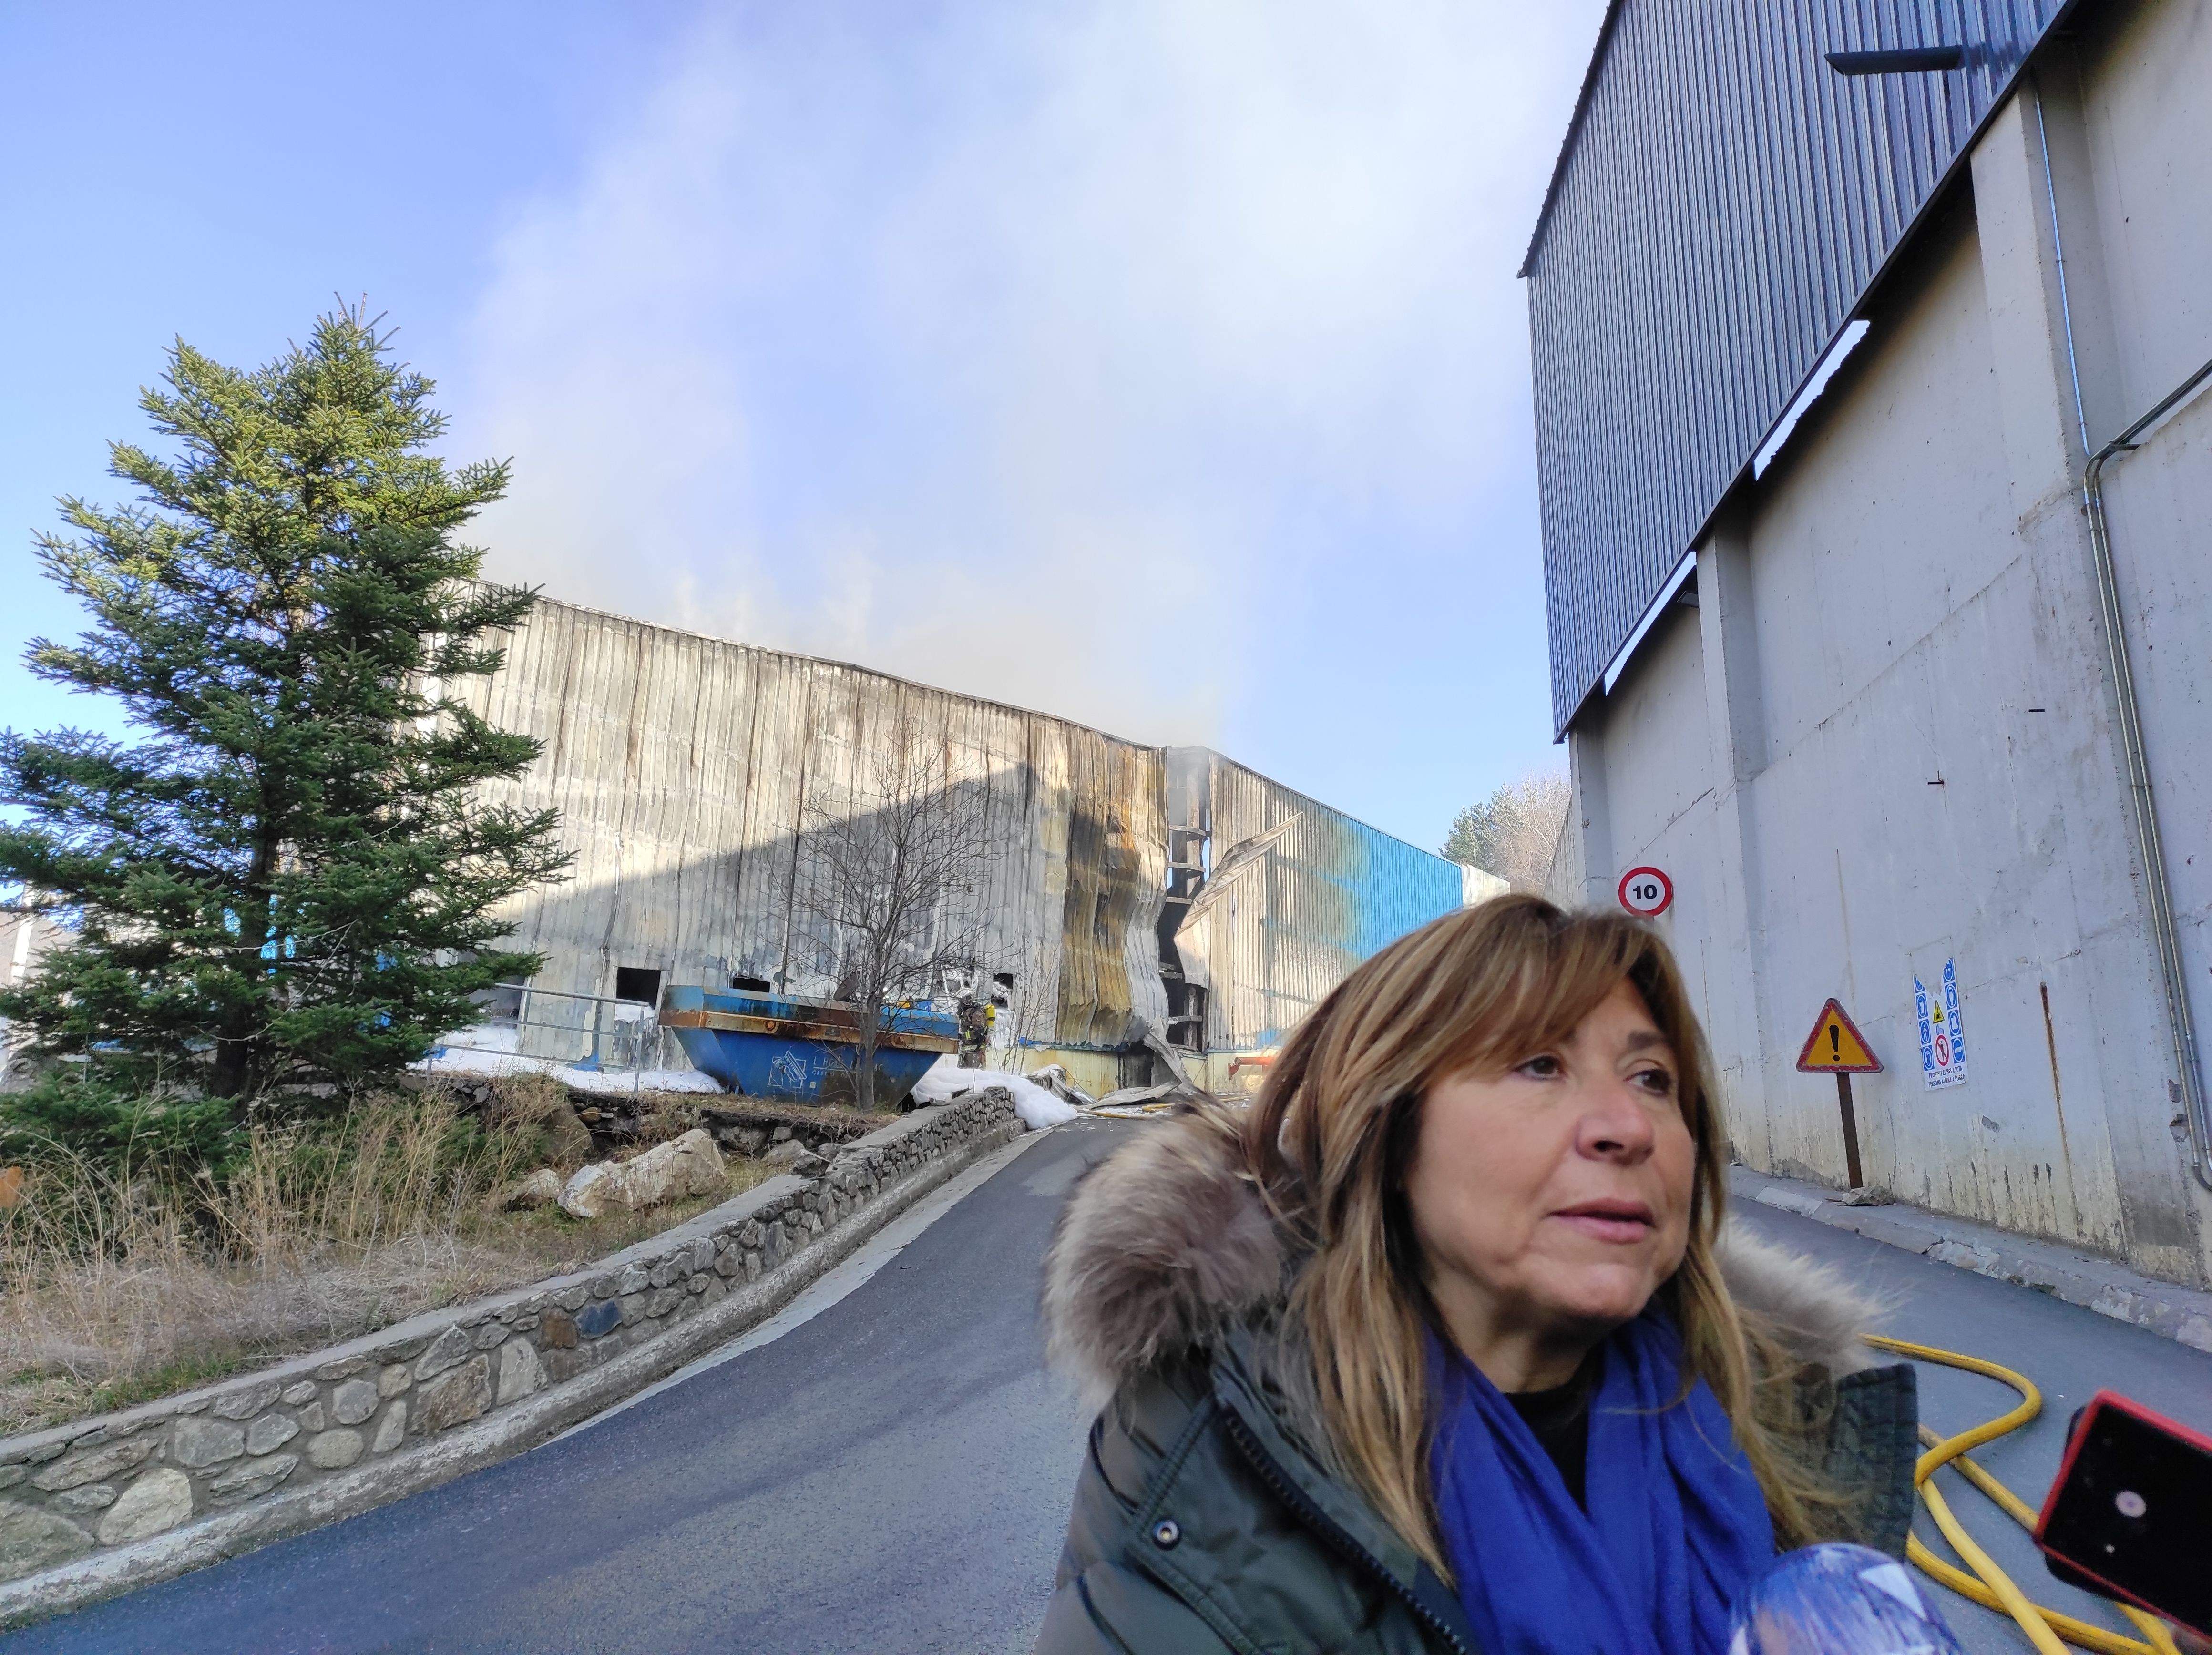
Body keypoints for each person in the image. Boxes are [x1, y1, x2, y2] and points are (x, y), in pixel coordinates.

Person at [1036, 895, 1921, 1655]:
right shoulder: (1204, 1451)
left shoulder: (1792, 1416)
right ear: (1386, 1128)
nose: (1630, 1127)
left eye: (1653, 1079)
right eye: (1540, 1064)